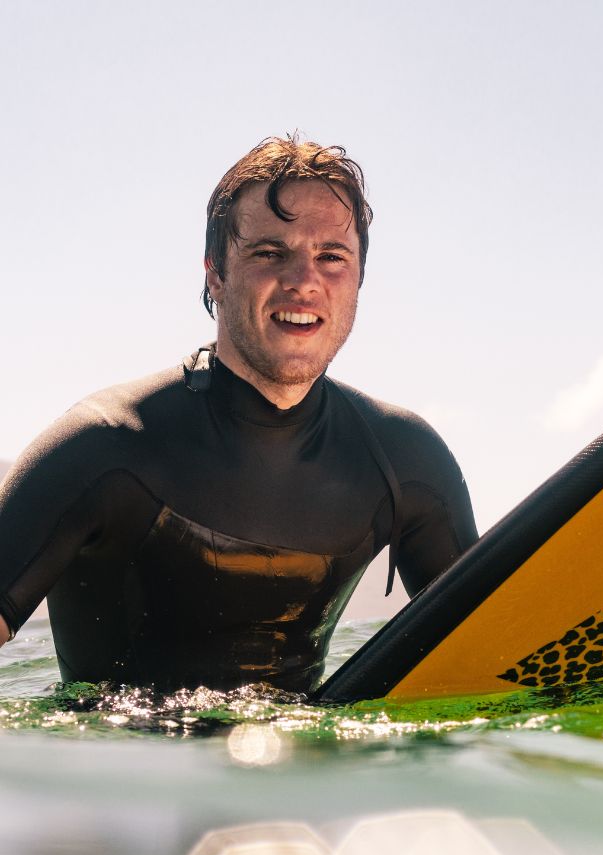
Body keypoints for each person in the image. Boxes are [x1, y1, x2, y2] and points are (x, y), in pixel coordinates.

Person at [0, 136, 478, 694]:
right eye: (270, 253)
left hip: (313, 770)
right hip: (123, 766)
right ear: (215, 274)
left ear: (359, 280)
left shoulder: (405, 461)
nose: (304, 280)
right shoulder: (104, 447)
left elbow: (496, 661)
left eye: (331, 257)